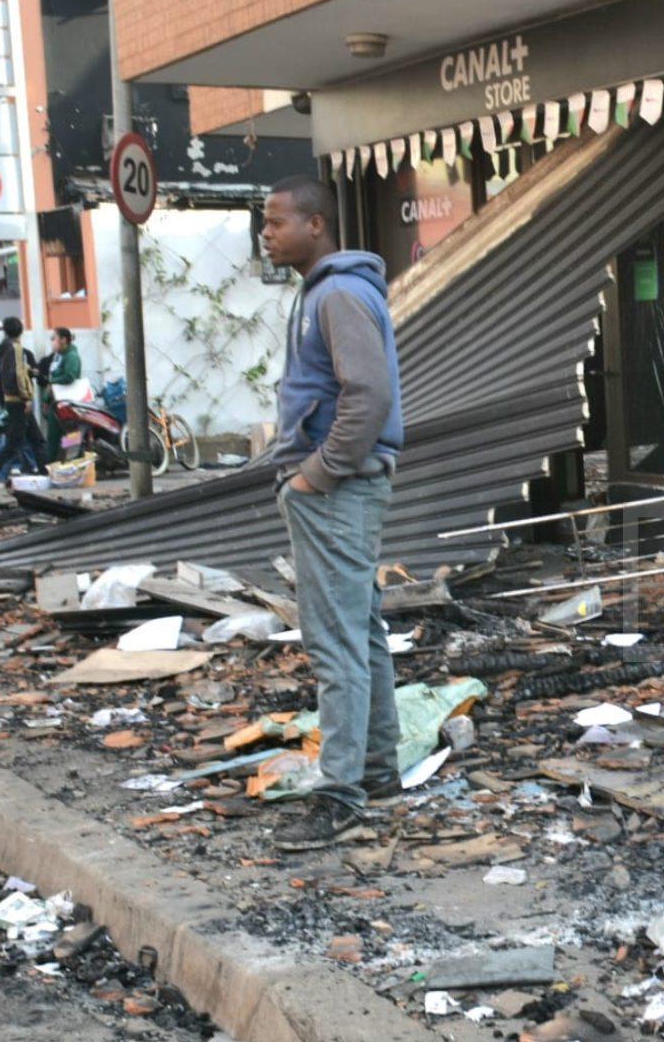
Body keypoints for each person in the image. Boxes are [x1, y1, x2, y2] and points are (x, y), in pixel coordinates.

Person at [261, 174, 405, 851]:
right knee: (360, 630)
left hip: (337, 489)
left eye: (276, 222)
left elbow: (368, 395)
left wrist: (316, 474)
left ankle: (341, 795)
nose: (266, 234)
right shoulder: (325, 291)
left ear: (315, 224)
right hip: (340, 488)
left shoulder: (339, 293)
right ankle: (376, 770)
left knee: (335, 642)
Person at [0, 316, 45, 487]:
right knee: (15, 442)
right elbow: (18, 376)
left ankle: (45, 473)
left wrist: (3, 400)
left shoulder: (2, 350)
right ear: (21, 331)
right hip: (19, 401)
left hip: (10, 400)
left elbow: (1, 378)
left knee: (36, 439)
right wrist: (26, 398)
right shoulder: (16, 349)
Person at [43, 327, 82, 462]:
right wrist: (46, 399)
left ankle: (65, 463)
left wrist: (52, 382)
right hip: (56, 403)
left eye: (54, 338)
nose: (52, 342)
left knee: (66, 437)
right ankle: (57, 464)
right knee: (56, 438)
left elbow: (70, 376)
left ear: (63, 340)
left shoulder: (71, 356)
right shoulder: (59, 356)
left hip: (65, 404)